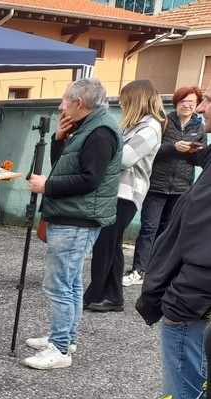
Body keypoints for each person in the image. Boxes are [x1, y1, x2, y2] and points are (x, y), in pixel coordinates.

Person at [24, 78, 123, 370]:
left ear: (79, 102)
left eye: (65, 100)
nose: (60, 105)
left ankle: (60, 349)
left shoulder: (100, 133)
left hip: (76, 218)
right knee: (71, 282)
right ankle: (65, 336)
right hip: (74, 215)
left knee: (59, 284)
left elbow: (90, 179)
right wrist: (58, 140)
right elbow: (66, 165)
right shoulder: (86, 128)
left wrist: (47, 186)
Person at [136, 81, 211, 399]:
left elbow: (204, 245)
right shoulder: (168, 124)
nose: (201, 108)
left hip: (191, 304)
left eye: (207, 101)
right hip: (161, 185)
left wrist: (179, 304)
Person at [83, 79, 164, 312]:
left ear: (137, 100)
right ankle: (113, 297)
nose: (121, 103)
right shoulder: (133, 125)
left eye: (125, 99)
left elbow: (125, 158)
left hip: (126, 193)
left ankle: (95, 293)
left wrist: (99, 153)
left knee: (105, 244)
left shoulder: (150, 128)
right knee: (111, 244)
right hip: (117, 191)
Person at [124, 85, 206, 287]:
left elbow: (199, 161)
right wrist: (173, 147)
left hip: (181, 187)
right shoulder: (164, 122)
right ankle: (139, 269)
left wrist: (196, 152)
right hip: (157, 185)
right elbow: (150, 150)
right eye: (182, 101)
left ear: (196, 105)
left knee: (167, 230)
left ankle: (156, 270)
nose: (186, 106)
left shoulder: (199, 127)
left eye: (191, 102)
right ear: (176, 103)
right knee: (149, 228)